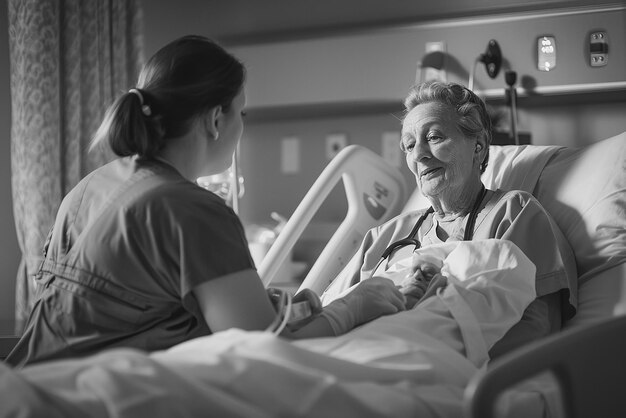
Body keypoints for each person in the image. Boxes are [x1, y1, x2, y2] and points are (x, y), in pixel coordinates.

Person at [6, 35, 406, 368]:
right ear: (216, 120)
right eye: (241, 112)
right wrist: (353, 306)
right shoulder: (192, 211)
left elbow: (120, 316)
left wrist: (285, 312)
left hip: (29, 385)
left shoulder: (91, 186)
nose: (241, 124)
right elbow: (264, 353)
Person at [321, 80, 577, 359]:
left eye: (433, 137)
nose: (418, 154)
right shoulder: (386, 235)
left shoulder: (513, 213)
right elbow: (328, 313)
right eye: (408, 145)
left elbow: (538, 328)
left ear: (478, 145)